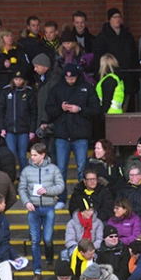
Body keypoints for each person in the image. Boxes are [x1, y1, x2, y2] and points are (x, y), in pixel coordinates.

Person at [46, 63, 100, 209]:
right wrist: (61, 108)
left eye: (73, 78)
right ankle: (62, 198)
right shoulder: (57, 89)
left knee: (82, 168)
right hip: (62, 135)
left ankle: (83, 197)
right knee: (61, 169)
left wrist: (80, 109)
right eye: (67, 78)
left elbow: (96, 109)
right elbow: (49, 110)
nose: (70, 80)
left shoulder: (87, 88)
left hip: (80, 136)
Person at [18, 143, 65, 280]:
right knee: (34, 241)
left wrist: (47, 191)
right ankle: (37, 271)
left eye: (35, 155)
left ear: (43, 155)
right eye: (31, 155)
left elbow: (61, 186)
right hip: (33, 208)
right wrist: (26, 202)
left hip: (49, 207)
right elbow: (22, 188)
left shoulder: (53, 169)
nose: (32, 157)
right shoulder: (26, 171)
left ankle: (49, 259)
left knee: (48, 238)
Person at [93, 7, 139, 111]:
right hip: (110, 78)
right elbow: (98, 58)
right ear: (109, 19)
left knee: (129, 107)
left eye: (119, 17)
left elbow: (134, 56)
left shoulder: (128, 36)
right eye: (115, 17)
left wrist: (136, 76)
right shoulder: (102, 37)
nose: (117, 19)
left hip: (127, 78)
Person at [0, 65, 37, 171]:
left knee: (23, 156)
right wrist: (2, 127)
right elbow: (0, 111)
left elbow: (33, 112)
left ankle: (24, 178)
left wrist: (32, 130)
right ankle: (12, 178)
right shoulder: (6, 91)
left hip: (23, 129)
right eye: (16, 79)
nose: (18, 81)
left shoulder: (28, 92)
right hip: (9, 129)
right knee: (11, 155)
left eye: (20, 79)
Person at [0, 30, 30, 97]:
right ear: (1, 38)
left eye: (11, 36)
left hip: (17, 83)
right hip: (1, 83)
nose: (10, 38)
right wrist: (3, 65)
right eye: (7, 36)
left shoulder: (19, 49)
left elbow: (26, 65)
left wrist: (14, 66)